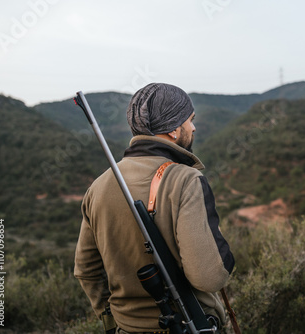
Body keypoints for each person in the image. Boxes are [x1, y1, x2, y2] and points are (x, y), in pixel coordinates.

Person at [74, 83, 235, 333]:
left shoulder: (98, 186)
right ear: (173, 129)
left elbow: (86, 271)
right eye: (190, 120)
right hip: (192, 326)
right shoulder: (186, 180)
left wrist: (113, 322)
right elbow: (209, 276)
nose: (193, 127)